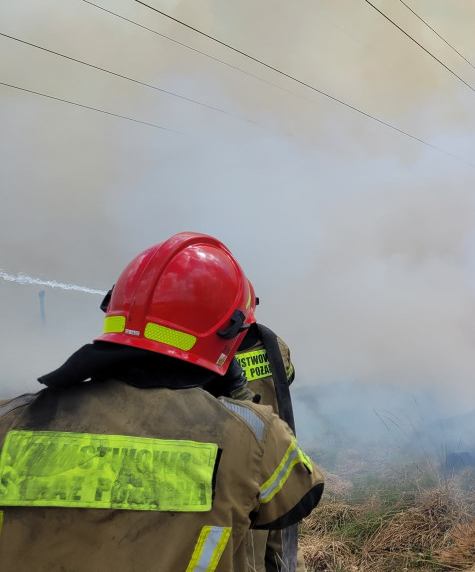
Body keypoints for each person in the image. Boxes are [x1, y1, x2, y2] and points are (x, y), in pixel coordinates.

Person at [0, 232, 324, 572]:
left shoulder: (8, 421)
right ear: (228, 332)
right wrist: (239, 394)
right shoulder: (252, 437)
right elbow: (298, 497)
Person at [232, 321, 308, 572]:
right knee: (285, 555)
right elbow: (288, 376)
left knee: (249, 558)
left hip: (245, 474)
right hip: (280, 466)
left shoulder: (217, 353)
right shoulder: (274, 343)